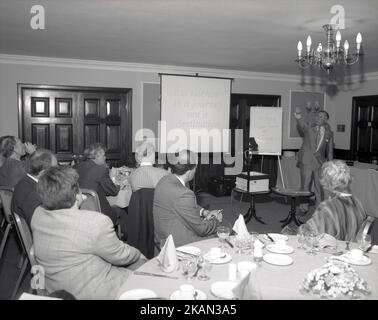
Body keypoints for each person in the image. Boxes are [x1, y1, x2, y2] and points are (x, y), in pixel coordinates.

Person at [31, 166, 145, 300]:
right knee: (145, 267)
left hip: (55, 288)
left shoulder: (38, 214)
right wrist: (139, 254)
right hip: (93, 292)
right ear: (75, 193)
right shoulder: (95, 222)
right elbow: (121, 256)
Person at [153, 149, 223, 247]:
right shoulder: (184, 194)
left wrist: (204, 212)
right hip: (178, 243)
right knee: (224, 231)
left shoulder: (164, 180)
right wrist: (216, 220)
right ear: (189, 172)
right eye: (195, 168)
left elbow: (182, 205)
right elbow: (202, 230)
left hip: (164, 236)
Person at [297, 160, 367, 242]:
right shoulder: (358, 203)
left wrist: (299, 229)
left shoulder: (328, 207)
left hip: (333, 251)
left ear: (327, 185)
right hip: (352, 249)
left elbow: (310, 233)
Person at [294, 109, 334, 212]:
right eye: (317, 116)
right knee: (305, 185)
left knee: (319, 186)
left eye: (321, 116)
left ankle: (319, 208)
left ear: (325, 119)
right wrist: (298, 117)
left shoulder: (329, 133)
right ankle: (303, 208)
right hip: (306, 160)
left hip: (319, 162)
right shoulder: (309, 127)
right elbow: (301, 126)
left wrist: (330, 164)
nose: (317, 118)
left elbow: (329, 151)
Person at [75, 143, 123, 225]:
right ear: (96, 156)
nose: (105, 158)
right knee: (123, 210)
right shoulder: (101, 170)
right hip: (100, 213)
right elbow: (113, 191)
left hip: (80, 212)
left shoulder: (76, 167)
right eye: (104, 155)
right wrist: (119, 185)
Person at [11, 149, 58, 228]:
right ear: (44, 172)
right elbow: (44, 225)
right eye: (55, 169)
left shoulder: (25, 182)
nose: (57, 172)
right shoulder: (32, 194)